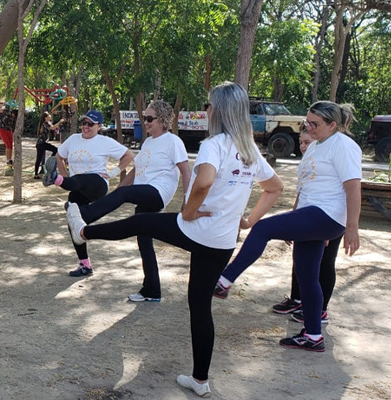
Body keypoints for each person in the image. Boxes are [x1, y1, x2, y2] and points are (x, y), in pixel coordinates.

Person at [64, 82, 282, 397]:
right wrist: (247, 220)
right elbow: (274, 188)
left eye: (208, 106)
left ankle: (84, 231)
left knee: (140, 222)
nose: (206, 111)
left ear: (217, 110)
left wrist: (190, 210)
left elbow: (203, 181)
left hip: (197, 230)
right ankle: (201, 381)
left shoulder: (215, 144)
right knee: (200, 307)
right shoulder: (249, 149)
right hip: (221, 242)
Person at [214, 101, 361, 352]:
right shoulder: (317, 146)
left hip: (326, 214)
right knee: (306, 277)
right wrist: (299, 221)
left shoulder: (344, 146)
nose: (309, 128)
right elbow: (307, 187)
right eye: (307, 122)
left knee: (262, 229)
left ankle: (225, 279)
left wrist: (351, 227)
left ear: (332, 125)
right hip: (313, 216)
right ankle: (313, 335)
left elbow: (353, 186)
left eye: (315, 124)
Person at [73, 101, 191, 301]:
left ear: (162, 120)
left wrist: (187, 200)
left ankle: (84, 215)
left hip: (158, 192)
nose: (145, 122)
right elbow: (136, 171)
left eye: (149, 118)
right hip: (144, 192)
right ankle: (151, 290)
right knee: (144, 241)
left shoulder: (173, 141)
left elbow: (185, 171)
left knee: (126, 195)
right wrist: (118, 192)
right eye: (144, 118)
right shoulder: (148, 142)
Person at [43, 109, 136, 277]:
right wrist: (66, 176)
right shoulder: (72, 140)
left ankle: (55, 180)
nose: (85, 127)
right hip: (77, 186)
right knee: (73, 223)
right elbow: (58, 157)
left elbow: (129, 155)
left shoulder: (104, 141)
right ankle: (85, 265)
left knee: (82, 179)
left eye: (90, 124)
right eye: (83, 123)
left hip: (97, 184)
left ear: (99, 126)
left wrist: (114, 172)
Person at [271, 126, 340, 325]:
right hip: (308, 217)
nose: (302, 146)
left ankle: (321, 311)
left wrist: (328, 229)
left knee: (325, 262)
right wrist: (293, 219)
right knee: (300, 258)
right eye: (301, 142)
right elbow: (301, 194)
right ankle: (297, 300)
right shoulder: (308, 161)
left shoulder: (332, 160)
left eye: (307, 142)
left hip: (330, 219)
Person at [34, 111, 63, 179]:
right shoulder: (45, 123)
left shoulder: (48, 123)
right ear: (46, 117)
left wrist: (58, 124)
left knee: (39, 159)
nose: (50, 115)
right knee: (55, 150)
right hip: (41, 143)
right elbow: (53, 128)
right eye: (49, 115)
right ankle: (48, 163)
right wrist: (60, 121)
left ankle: (36, 174)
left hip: (41, 143)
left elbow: (54, 127)